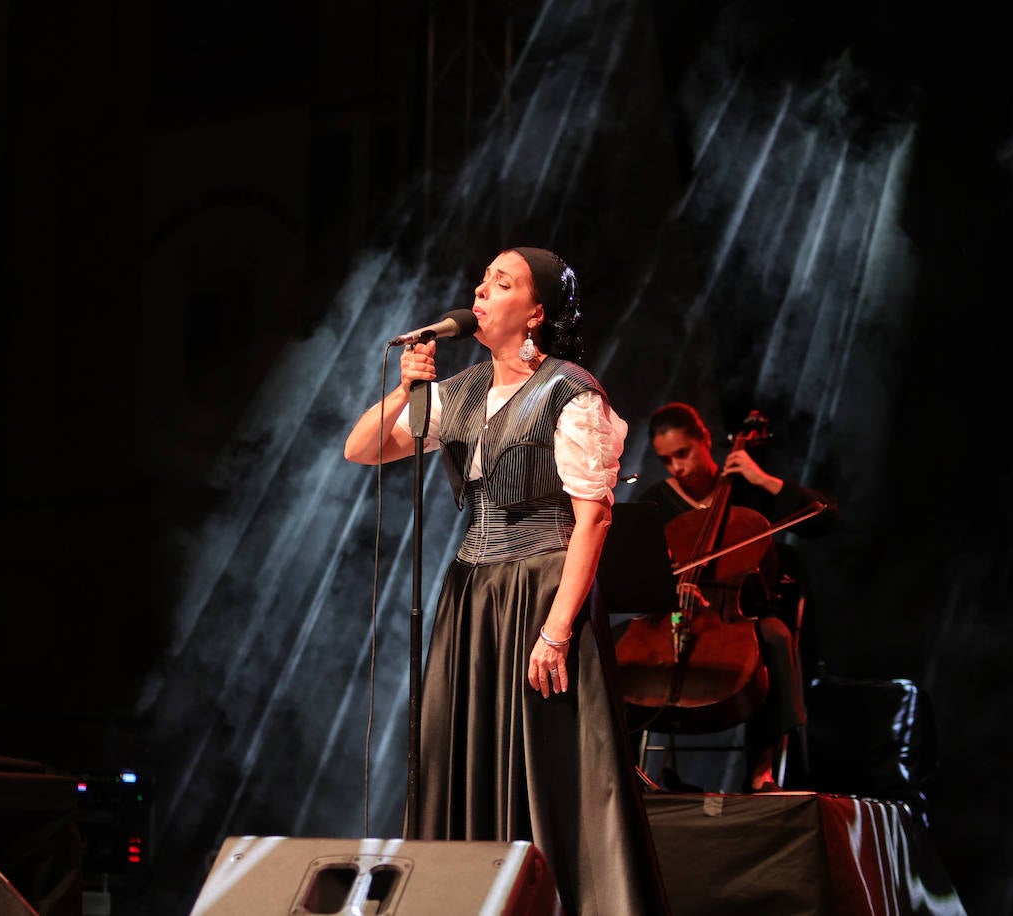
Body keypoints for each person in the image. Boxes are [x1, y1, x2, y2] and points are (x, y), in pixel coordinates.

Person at [345, 247, 669, 916]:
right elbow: (362, 449)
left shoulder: (568, 390)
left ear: (536, 313)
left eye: (503, 281)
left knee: (546, 771)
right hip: (472, 599)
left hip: (542, 592)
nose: (481, 290)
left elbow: (594, 521)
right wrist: (409, 386)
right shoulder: (458, 392)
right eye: (483, 279)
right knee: (462, 753)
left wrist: (554, 633)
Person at [627, 401, 837, 792]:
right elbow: (643, 572)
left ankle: (763, 769)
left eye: (683, 453)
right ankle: (627, 770)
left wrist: (765, 481)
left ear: (705, 439)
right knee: (618, 644)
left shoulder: (747, 490)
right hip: (673, 615)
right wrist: (669, 587)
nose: (677, 468)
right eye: (666, 459)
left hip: (739, 621)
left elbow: (825, 517)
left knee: (775, 637)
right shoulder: (655, 501)